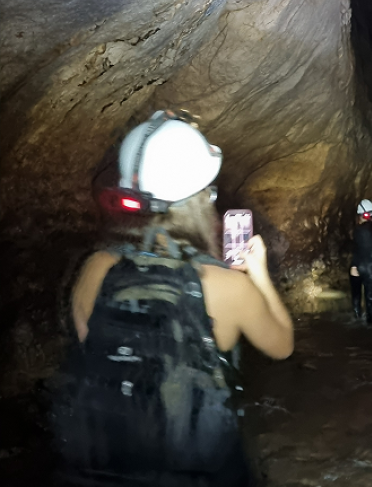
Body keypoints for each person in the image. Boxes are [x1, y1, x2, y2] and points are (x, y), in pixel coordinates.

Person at [51, 110, 294, 486]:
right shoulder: (226, 285)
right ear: (200, 198)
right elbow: (282, 345)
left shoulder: (95, 269)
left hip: (105, 468)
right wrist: (259, 276)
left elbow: (95, 351)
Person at [349, 199, 372, 324]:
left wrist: (354, 265)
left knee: (356, 295)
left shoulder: (358, 230)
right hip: (371, 267)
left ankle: (357, 317)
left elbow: (357, 248)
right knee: (371, 302)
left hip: (358, 266)